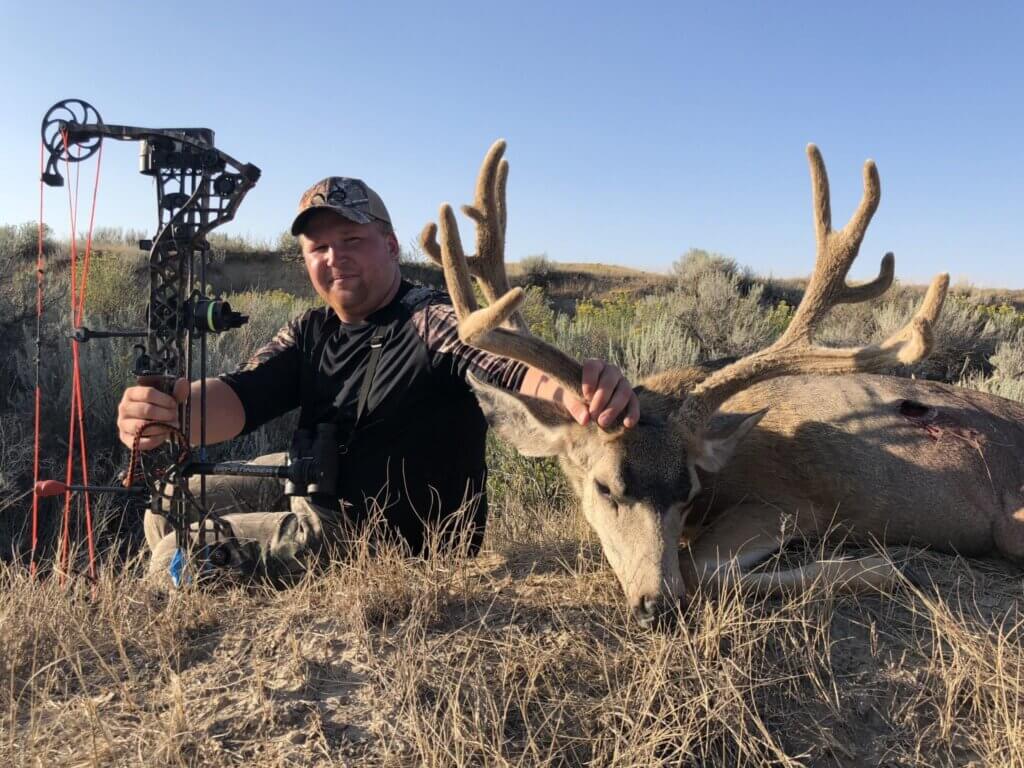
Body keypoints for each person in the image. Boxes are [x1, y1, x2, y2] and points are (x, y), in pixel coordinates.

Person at [118, 176, 640, 584]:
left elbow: (508, 368)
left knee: (174, 558)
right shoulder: (310, 330)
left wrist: (579, 391)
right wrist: (172, 412)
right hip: (317, 486)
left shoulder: (429, 318)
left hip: (380, 538)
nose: (333, 257)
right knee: (167, 502)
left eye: (351, 239)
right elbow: (242, 395)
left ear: (390, 246)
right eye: (318, 248)